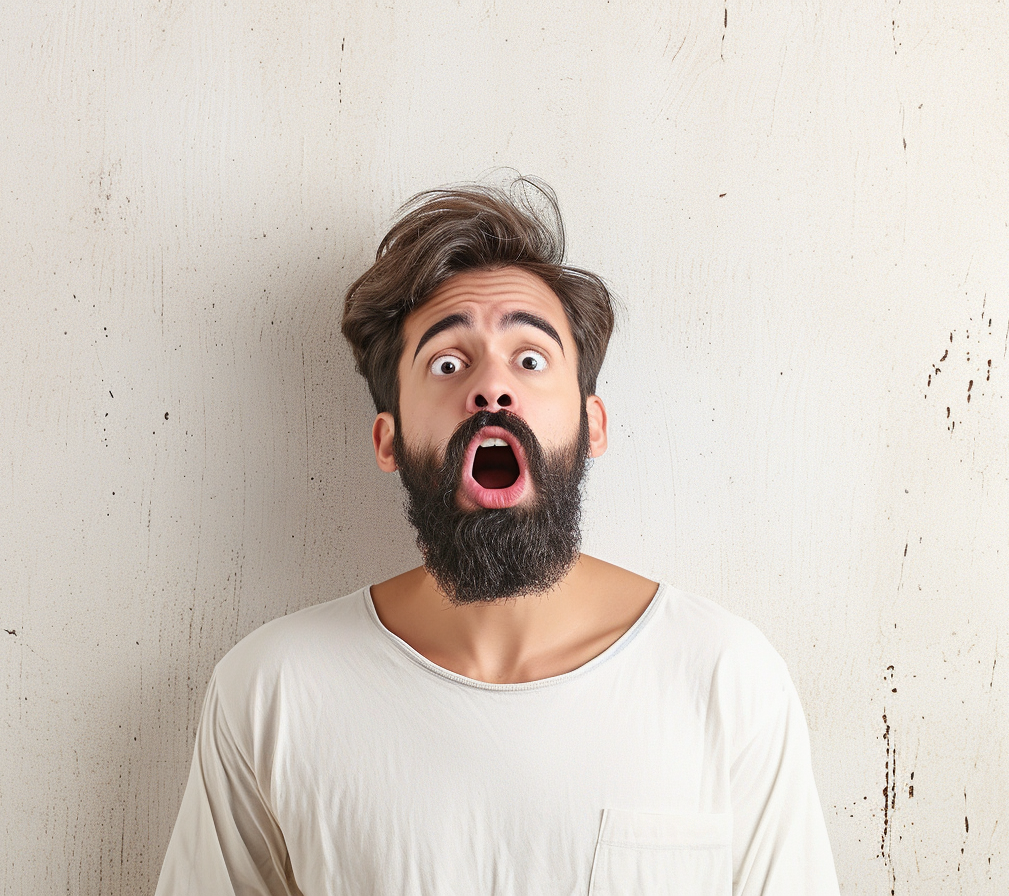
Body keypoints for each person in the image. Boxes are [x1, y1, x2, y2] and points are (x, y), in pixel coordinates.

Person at [154, 178, 840, 895]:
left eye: (531, 358)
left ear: (592, 424)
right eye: (448, 364)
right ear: (388, 439)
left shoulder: (725, 678)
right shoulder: (273, 692)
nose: (492, 389)